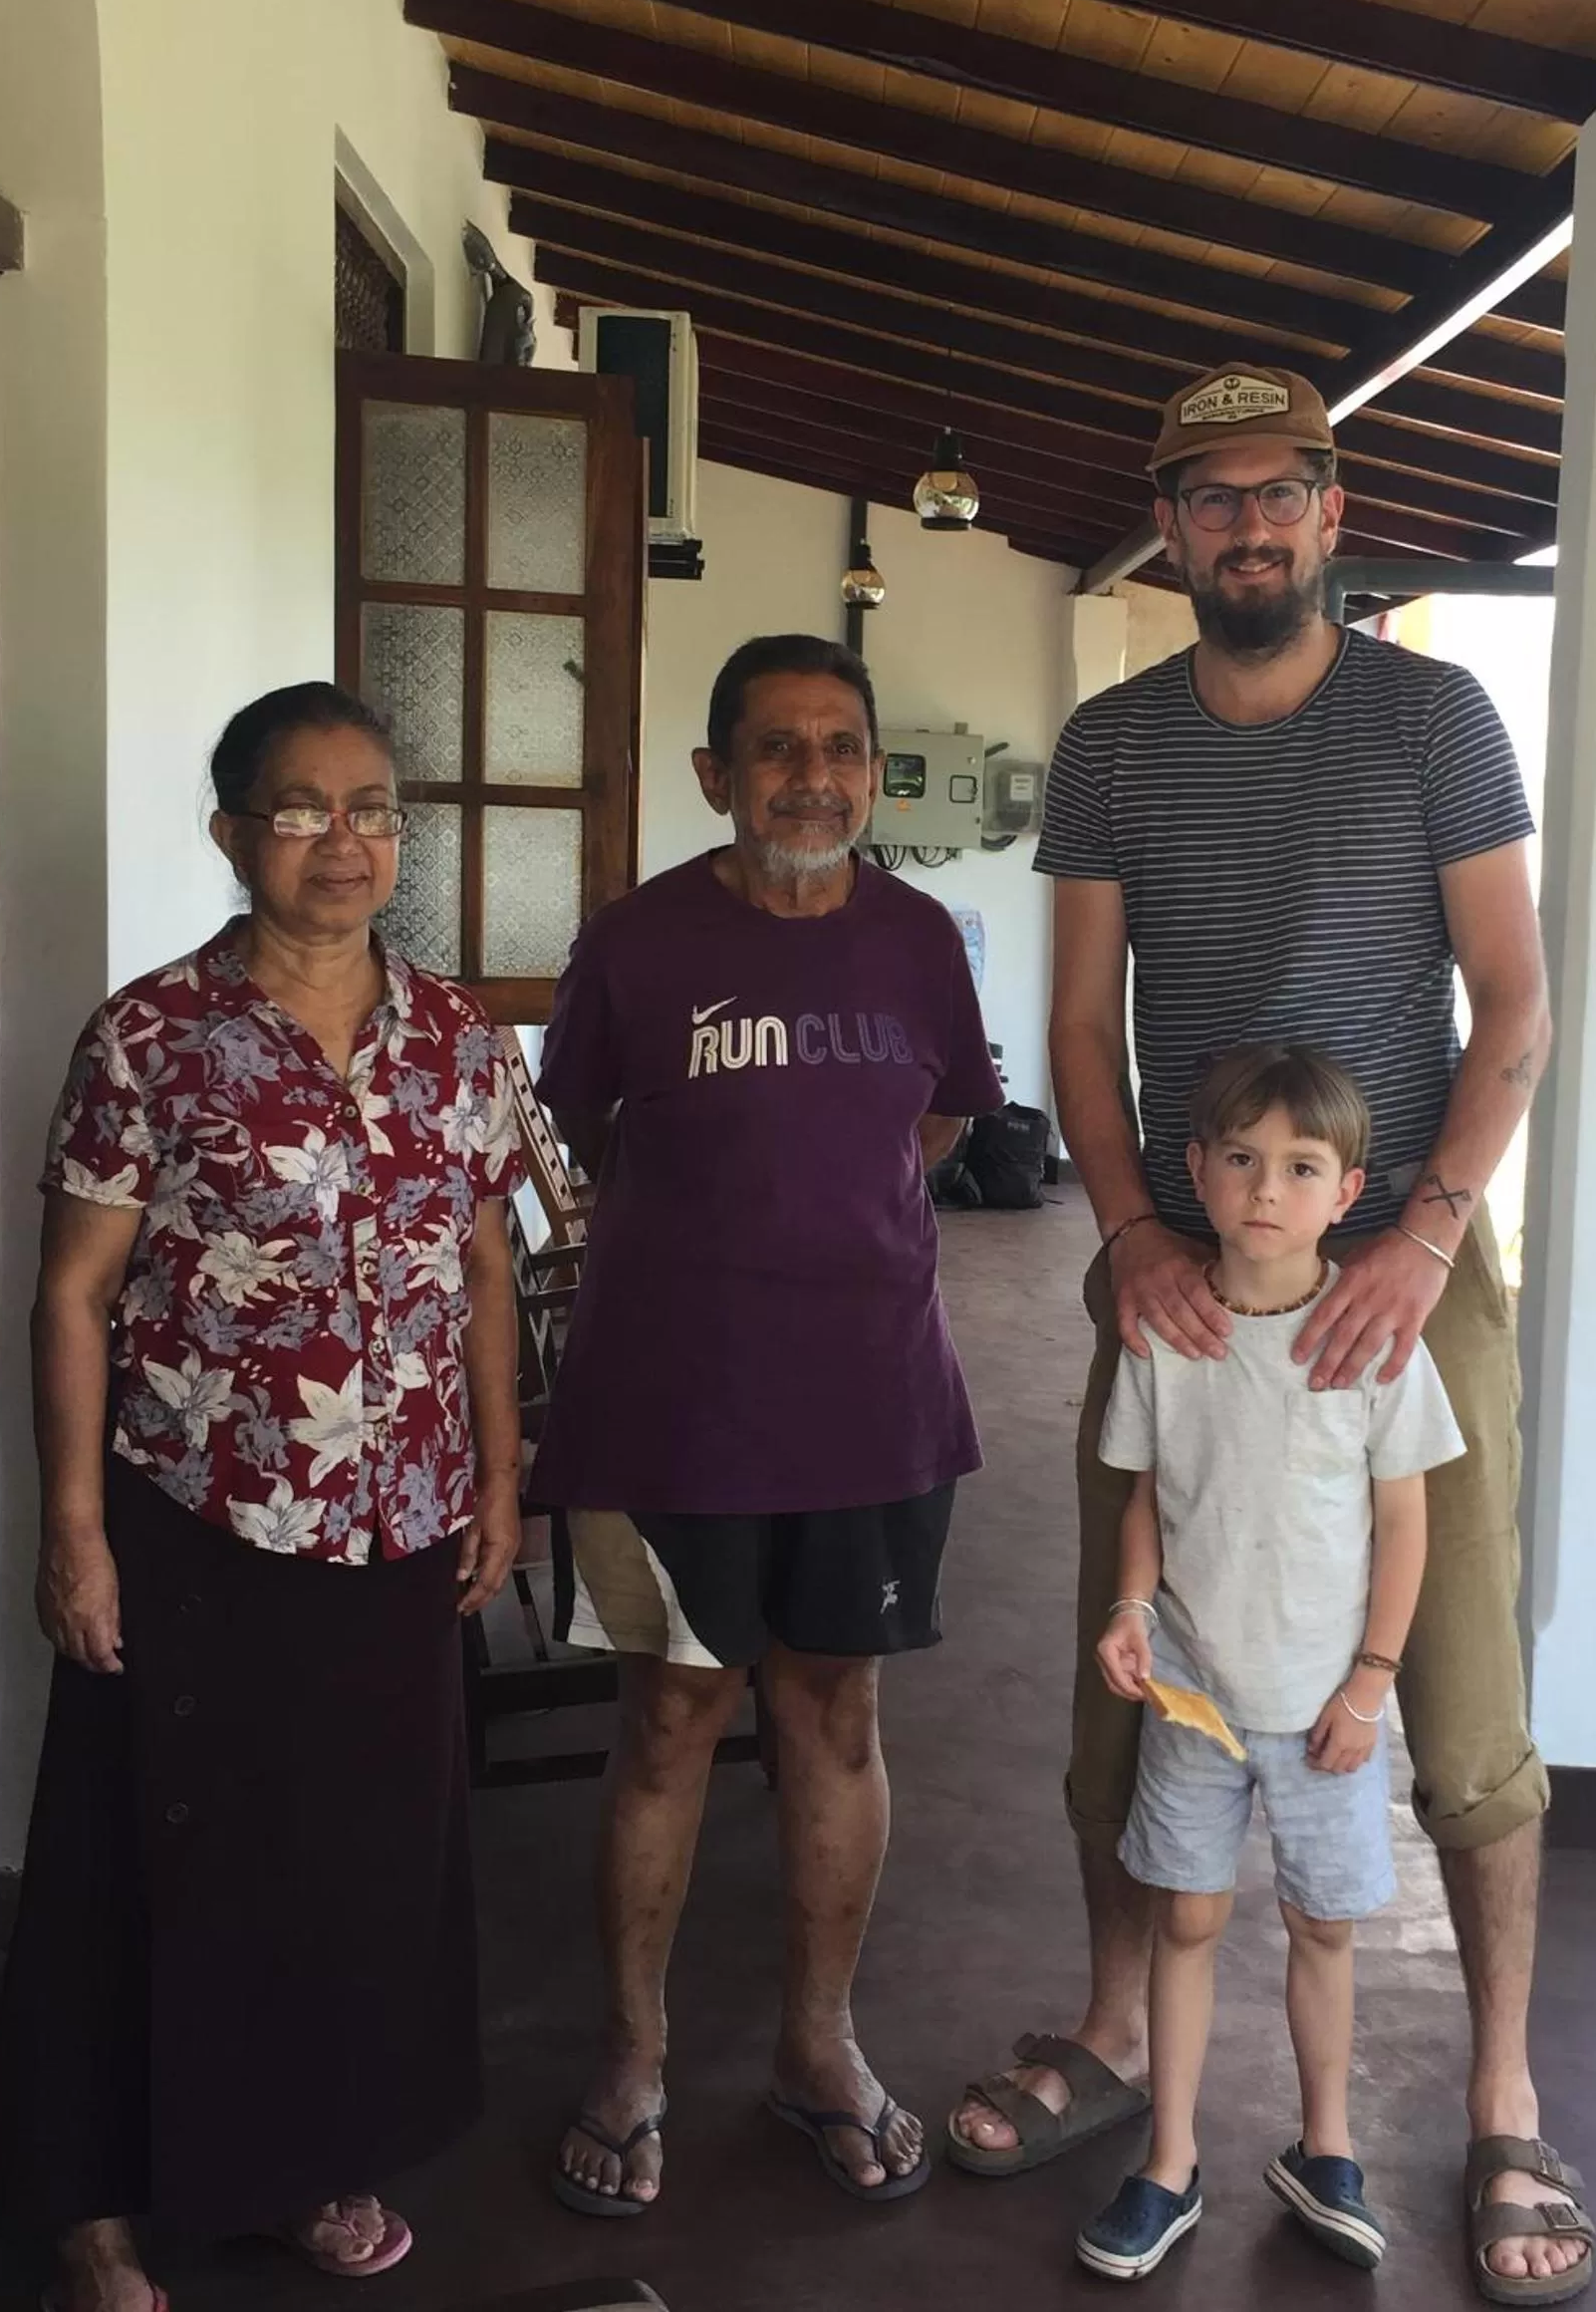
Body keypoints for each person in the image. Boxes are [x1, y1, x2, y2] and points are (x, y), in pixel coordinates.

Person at [950, 366, 1595, 2305]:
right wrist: (1130, 1228)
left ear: (1332, 508)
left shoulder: (1434, 718)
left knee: (1453, 1681)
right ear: (1168, 524)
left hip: (1402, 1257)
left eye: (1278, 490)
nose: (1246, 524)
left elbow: (1512, 1004)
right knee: (1137, 1657)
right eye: (1209, 496)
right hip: (1178, 1274)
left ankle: (1501, 2096)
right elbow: (1080, 1025)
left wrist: (1425, 1236)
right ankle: (1118, 2031)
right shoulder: (1115, 742)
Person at [0, 683, 524, 2312]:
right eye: (300, 808)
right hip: (198, 1517)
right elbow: (73, 1292)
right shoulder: (151, 1035)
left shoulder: (459, 1040)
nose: (340, 841)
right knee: (151, 1854)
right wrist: (73, 1532)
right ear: (234, 834)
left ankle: (308, 2160)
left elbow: (482, 1271)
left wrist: (502, 1476)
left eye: (370, 808)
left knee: (358, 1864)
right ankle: (95, 2201)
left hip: (401, 1520)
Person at [535, 634, 1003, 2215]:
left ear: (874, 772)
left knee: (836, 1718)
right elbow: (584, 1127)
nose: (815, 777)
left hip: (874, 1401)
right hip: (670, 1408)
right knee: (670, 1724)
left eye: (842, 748)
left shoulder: (919, 938)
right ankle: (633, 2056)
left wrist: (824, 1217)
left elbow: (940, 1120)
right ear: (715, 774)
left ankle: (819, 2046)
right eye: (779, 748)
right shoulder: (635, 941)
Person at [1076, 1043, 1455, 2281]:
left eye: (1300, 1167)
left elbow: (1404, 1524)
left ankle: (1327, 2148)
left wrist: (1373, 1683)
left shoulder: (1374, 1343)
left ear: (1346, 1192)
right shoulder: (1166, 1333)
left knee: (1321, 1925)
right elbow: (1147, 1495)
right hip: (1193, 1693)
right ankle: (1170, 2160)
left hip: (1325, 1706)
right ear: (1196, 1171)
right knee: (1187, 1917)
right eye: (1241, 1159)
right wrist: (1131, 1606)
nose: (1265, 1189)